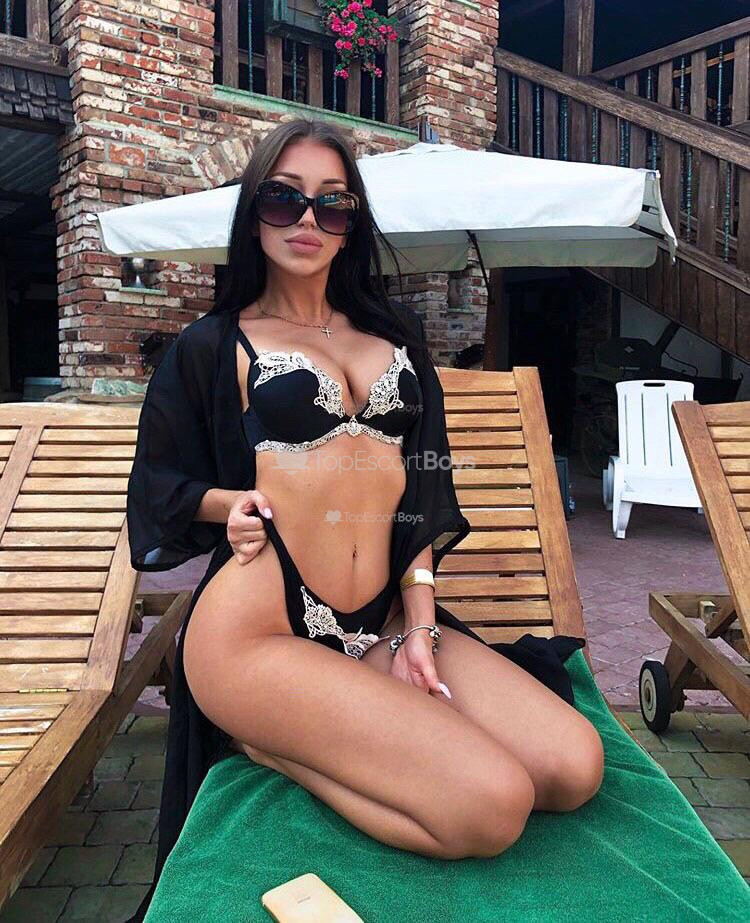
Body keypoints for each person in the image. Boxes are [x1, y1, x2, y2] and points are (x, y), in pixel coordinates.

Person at [125, 118, 602, 922]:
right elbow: (158, 483)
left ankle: (333, 713)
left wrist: (420, 625)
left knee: (575, 765)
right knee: (492, 805)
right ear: (254, 212)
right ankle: (263, 742)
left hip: (380, 621)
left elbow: (424, 493)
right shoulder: (214, 344)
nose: (308, 220)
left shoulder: (396, 339)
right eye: (284, 199)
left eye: (333, 203)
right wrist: (225, 503)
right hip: (258, 629)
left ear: (352, 223)